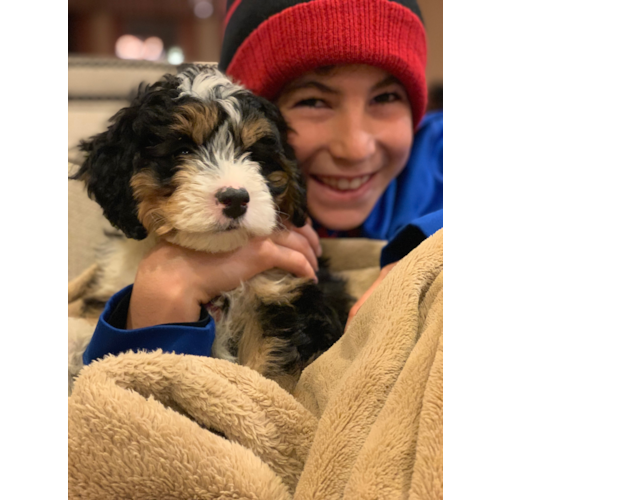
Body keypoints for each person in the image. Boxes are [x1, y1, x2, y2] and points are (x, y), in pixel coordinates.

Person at [82, 0, 443, 365]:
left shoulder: (442, 152)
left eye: (385, 97)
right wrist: (157, 304)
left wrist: (430, 246)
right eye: (314, 101)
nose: (354, 147)